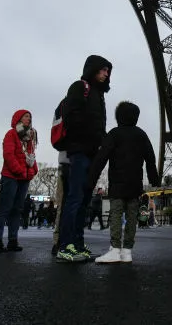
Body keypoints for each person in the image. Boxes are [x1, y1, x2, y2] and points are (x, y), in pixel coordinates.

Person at [86, 101, 160, 264]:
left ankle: (115, 249)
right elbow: (150, 158)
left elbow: (101, 158)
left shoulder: (114, 134)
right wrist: (154, 179)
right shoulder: (141, 134)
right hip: (135, 184)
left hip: (117, 184)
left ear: (118, 116)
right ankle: (127, 251)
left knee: (116, 215)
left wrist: (91, 179)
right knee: (132, 216)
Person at [56, 55, 112, 263]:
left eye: (108, 71)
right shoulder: (80, 87)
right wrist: (94, 138)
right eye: (103, 69)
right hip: (79, 151)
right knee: (75, 198)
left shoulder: (98, 94)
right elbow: (73, 117)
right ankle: (65, 245)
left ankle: (77, 243)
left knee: (83, 200)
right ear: (93, 69)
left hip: (91, 152)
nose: (106, 73)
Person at [0, 110, 39, 253]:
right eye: (26, 116)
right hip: (11, 176)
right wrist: (19, 170)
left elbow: (31, 156)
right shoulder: (11, 134)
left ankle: (13, 240)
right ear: (18, 119)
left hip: (24, 177)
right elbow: (8, 154)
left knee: (17, 209)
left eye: (30, 117)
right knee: (4, 209)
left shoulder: (29, 137)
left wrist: (33, 170)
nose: (29, 119)